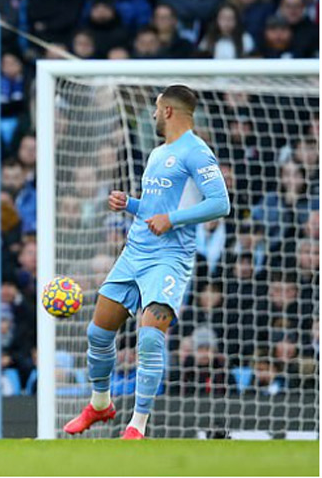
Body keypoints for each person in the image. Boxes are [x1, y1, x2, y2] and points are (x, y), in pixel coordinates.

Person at [62, 85, 230, 439]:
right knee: (98, 333)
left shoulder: (198, 152)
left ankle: (137, 425)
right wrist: (131, 204)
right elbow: (156, 210)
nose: (152, 115)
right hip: (135, 251)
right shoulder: (157, 154)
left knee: (150, 339)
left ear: (168, 111)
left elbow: (220, 203)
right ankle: (100, 404)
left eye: (155, 109)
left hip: (170, 258)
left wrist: (172, 219)